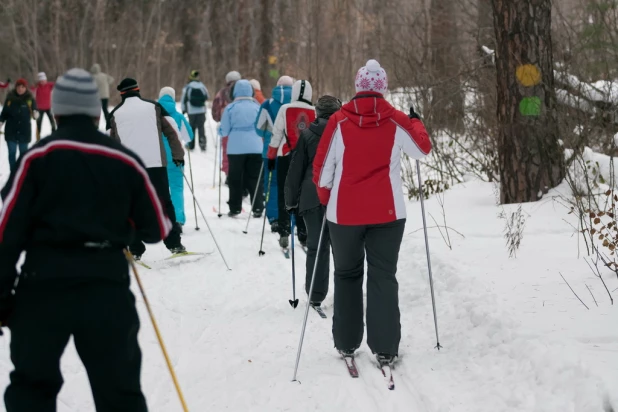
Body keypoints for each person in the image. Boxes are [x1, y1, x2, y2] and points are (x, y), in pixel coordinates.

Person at [0, 68, 168, 412]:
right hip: (105, 289)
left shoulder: (35, 159)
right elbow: (158, 227)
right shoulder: (124, 160)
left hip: (42, 290)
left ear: (56, 111)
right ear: (96, 112)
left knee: (31, 392)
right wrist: (124, 227)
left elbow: (6, 233)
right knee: (119, 394)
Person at [313, 59, 432, 366]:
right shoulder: (396, 121)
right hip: (388, 214)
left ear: (357, 87)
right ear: (383, 88)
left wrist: (327, 200)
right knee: (383, 276)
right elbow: (421, 149)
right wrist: (417, 121)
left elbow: (323, 173)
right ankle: (385, 347)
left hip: (344, 215)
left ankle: (347, 343)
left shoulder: (338, 122)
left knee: (347, 274)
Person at [108, 78, 186, 259]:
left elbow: (109, 144)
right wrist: (178, 155)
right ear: (138, 90)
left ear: (121, 93)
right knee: (164, 204)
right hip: (155, 164)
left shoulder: (115, 113)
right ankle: (174, 244)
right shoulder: (154, 106)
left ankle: (135, 249)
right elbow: (172, 130)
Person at [285, 95, 341, 308]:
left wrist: (290, 201)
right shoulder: (343, 133)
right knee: (341, 247)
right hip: (337, 195)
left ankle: (315, 294)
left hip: (311, 197)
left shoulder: (307, 134)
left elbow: (295, 170)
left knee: (316, 245)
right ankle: (345, 293)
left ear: (316, 112)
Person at [267, 79, 315, 249]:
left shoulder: (285, 109)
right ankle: (303, 233)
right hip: (307, 160)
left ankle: (284, 231)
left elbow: (277, 134)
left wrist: (271, 157)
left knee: (284, 194)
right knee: (303, 196)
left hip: (286, 156)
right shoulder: (314, 111)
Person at [220, 79, 264, 217]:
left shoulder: (231, 108)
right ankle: (257, 207)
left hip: (236, 148)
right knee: (255, 177)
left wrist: (220, 131)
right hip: (256, 147)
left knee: (235, 178)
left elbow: (225, 131)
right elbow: (262, 127)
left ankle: (235, 207)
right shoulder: (257, 107)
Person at [255, 75, 293, 233]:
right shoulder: (297, 104)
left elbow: (258, 128)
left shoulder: (267, 104)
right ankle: (292, 217)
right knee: (292, 185)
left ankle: (274, 217)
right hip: (292, 151)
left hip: (270, 150)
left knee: (272, 184)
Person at [159, 86, 195, 228]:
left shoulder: (154, 115)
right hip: (175, 157)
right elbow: (189, 137)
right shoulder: (178, 116)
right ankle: (178, 219)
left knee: (159, 188)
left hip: (158, 158)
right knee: (176, 188)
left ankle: (161, 219)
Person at [0, 78, 38, 173]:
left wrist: (35, 113)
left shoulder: (30, 99)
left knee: (23, 154)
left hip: (24, 131)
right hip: (11, 131)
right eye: (18, 87)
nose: (20, 89)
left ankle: (22, 174)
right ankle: (13, 174)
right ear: (15, 87)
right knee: (12, 153)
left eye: (22, 87)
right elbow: (4, 113)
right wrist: (1, 122)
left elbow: (35, 110)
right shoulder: (10, 99)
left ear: (26, 88)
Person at [212, 70, 241, 178]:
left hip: (226, 127)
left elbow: (215, 110)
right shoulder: (244, 92)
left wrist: (218, 118)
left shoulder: (222, 93)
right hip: (242, 126)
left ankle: (229, 173)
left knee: (227, 151)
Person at [180, 70, 209, 152]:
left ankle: (190, 145)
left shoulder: (188, 87)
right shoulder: (202, 86)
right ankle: (203, 144)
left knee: (191, 128)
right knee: (201, 127)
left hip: (191, 111)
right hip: (201, 110)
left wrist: (183, 109)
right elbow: (207, 96)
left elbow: (183, 99)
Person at [32, 72, 56, 140]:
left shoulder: (49, 85)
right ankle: (38, 137)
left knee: (52, 122)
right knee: (39, 123)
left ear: (46, 80)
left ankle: (54, 135)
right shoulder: (37, 86)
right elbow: (31, 89)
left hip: (48, 107)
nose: (43, 82)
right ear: (39, 81)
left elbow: (57, 84)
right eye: (41, 81)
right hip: (39, 108)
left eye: (44, 80)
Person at [90, 64, 114, 129]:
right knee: (105, 109)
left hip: (97, 97)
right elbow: (111, 80)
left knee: (97, 111)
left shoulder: (92, 77)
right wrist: (106, 84)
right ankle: (109, 123)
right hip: (105, 96)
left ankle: (96, 125)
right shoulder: (104, 75)